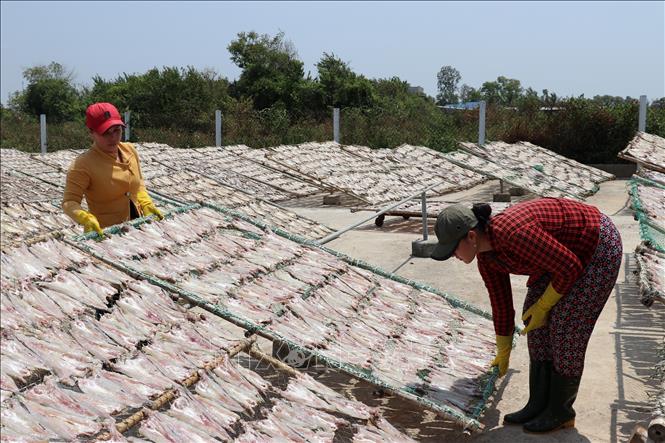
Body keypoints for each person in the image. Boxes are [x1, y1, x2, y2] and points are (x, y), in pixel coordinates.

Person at [430, 198, 622, 433]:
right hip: (561, 256)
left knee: (566, 327)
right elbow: (501, 303)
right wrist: (504, 350)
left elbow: (569, 267)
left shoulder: (513, 233)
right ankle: (538, 403)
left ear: (471, 236)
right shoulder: (487, 258)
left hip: (596, 247)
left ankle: (560, 411)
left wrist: (544, 306)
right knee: (533, 322)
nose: (453, 256)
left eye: (453, 249)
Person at [62, 102, 163, 236]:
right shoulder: (82, 165)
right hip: (106, 235)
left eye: (117, 130)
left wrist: (145, 202)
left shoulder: (130, 150)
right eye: (105, 133)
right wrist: (84, 217)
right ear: (91, 132)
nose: (113, 137)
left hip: (138, 228)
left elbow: (138, 184)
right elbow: (69, 202)